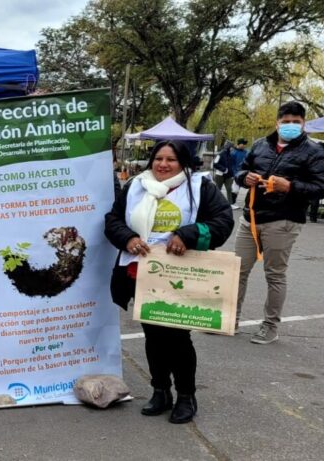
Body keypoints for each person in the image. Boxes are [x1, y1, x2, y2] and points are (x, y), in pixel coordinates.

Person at [104, 140, 233, 424]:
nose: (163, 164)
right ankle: (160, 391)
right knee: (153, 336)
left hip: (180, 275)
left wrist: (188, 234)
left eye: (171, 160)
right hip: (143, 272)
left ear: (184, 163)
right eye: (158, 158)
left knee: (177, 338)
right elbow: (112, 219)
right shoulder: (136, 185)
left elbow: (223, 221)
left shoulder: (200, 187)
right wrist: (129, 238)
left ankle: (186, 395)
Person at [235, 101, 324, 345]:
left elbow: (322, 188)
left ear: (303, 124)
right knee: (237, 272)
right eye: (285, 121)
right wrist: (246, 177)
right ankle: (230, 319)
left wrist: (290, 186)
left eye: (295, 122)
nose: (290, 125)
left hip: (283, 221)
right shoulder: (260, 145)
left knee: (275, 275)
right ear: (277, 122)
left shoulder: (314, 151)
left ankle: (270, 326)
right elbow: (241, 171)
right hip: (251, 218)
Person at [214, 139, 247, 205]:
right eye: (231, 147)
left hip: (229, 175)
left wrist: (231, 173)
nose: (232, 148)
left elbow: (230, 164)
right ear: (228, 147)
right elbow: (215, 164)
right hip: (220, 175)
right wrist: (224, 169)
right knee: (218, 190)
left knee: (230, 189)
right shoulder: (220, 154)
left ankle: (231, 203)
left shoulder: (229, 154)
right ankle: (215, 203)